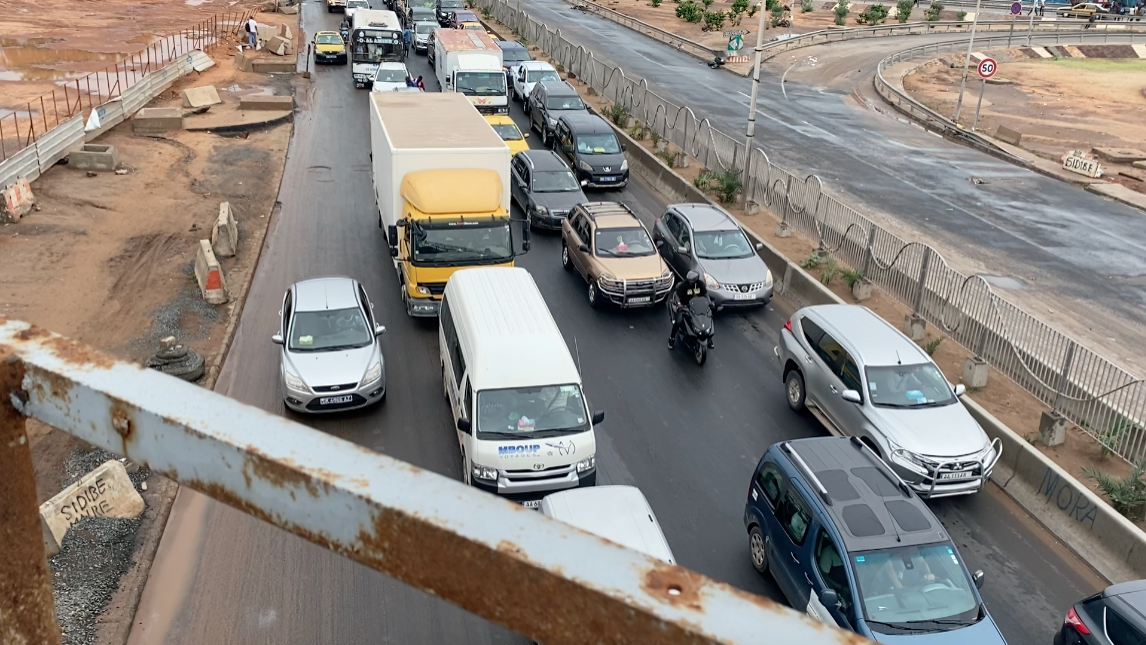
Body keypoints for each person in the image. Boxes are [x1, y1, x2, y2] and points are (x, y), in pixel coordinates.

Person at [668, 270, 711, 350]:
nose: (690, 282)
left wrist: (709, 302)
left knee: (707, 318)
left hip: (698, 306)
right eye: (689, 280)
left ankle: (709, 337)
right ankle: (672, 339)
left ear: (696, 280)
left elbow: (705, 294)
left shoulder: (700, 284)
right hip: (685, 306)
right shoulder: (684, 285)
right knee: (678, 321)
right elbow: (677, 295)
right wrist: (679, 304)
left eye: (692, 280)